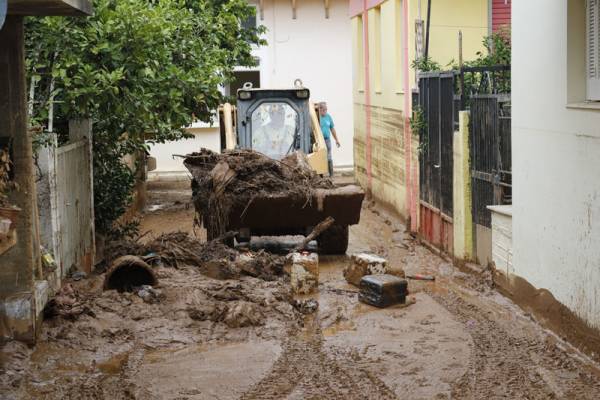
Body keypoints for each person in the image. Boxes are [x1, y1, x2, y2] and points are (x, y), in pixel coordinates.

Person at [318, 102, 340, 177]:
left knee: (329, 157)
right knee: (320, 156)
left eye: (326, 109)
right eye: (324, 110)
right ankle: (321, 176)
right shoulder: (317, 117)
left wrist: (336, 139)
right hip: (319, 141)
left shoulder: (328, 117)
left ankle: (331, 175)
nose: (325, 111)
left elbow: (332, 129)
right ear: (320, 109)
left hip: (327, 140)